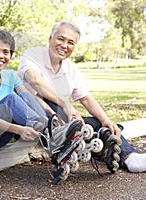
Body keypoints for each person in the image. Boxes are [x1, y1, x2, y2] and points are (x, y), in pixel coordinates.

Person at [17, 20, 146, 173]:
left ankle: (129, 157)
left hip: (61, 119)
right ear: (50, 38)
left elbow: (85, 97)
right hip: (35, 114)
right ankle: (74, 141)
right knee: (51, 103)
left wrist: (105, 120)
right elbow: (35, 81)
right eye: (60, 39)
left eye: (70, 42)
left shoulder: (70, 68)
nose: (64, 45)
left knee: (99, 124)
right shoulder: (33, 56)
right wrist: (66, 104)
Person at [0, 30, 89, 184]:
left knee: (25, 95)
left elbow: (31, 98)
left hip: (5, 134)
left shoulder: (10, 76)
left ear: (10, 56)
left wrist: (53, 116)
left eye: (5, 52)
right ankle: (51, 134)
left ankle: (52, 131)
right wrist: (21, 130)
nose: (0, 56)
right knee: (11, 98)